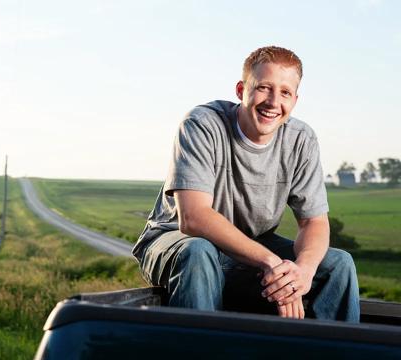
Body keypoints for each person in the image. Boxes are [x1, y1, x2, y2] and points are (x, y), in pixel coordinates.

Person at [132, 46, 360, 322]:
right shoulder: (202, 124)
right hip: (179, 242)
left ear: (295, 100)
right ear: (241, 90)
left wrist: (301, 273)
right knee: (198, 251)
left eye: (285, 92)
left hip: (251, 248)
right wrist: (271, 262)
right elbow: (193, 218)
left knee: (339, 264)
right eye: (264, 88)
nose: (274, 102)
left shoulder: (301, 140)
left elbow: (314, 223)